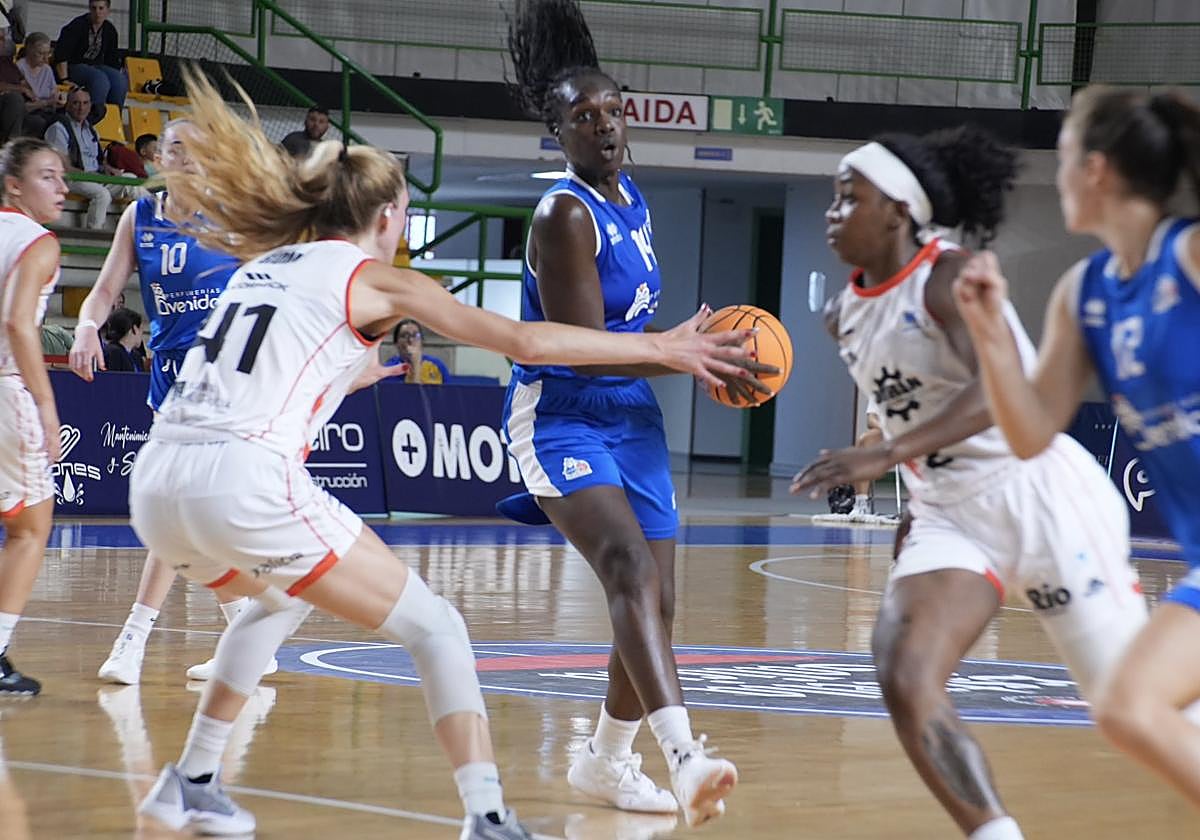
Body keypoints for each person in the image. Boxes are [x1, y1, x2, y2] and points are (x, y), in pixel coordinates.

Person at [129, 67, 754, 837]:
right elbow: (526, 340)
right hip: (239, 480)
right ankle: (488, 817)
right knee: (438, 629)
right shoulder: (378, 279)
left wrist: (348, 372)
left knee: (276, 598)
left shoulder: (260, 268)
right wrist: (668, 345)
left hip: (155, 481)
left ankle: (190, 779)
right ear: (390, 216)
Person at [790, 125, 1150, 840]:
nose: (833, 213)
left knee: (1133, 708)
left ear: (897, 210)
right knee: (904, 672)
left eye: (846, 197)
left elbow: (999, 392)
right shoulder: (842, 314)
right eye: (832, 199)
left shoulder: (949, 280)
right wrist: (913, 485)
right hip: (950, 513)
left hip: (1038, 498)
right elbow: (909, 408)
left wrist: (885, 456)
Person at [497, 0, 778, 826]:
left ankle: (606, 763)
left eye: (613, 109)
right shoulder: (564, 213)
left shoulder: (634, 199)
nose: (605, 125)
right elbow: (582, 345)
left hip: (634, 412)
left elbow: (631, 336)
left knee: (657, 600)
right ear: (558, 134)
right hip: (563, 414)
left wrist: (695, 349)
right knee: (626, 567)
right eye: (583, 118)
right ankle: (687, 759)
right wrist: (674, 350)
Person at [954, 86, 1200, 809]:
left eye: (1060, 158)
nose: (1053, 174)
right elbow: (1030, 433)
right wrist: (992, 333)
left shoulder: (1188, 255)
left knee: (1133, 704)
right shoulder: (1084, 291)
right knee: (1131, 708)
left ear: (1094, 170)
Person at [69, 118, 275, 687]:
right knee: (187, 518)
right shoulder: (140, 215)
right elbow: (107, 289)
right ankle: (248, 632)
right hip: (168, 374)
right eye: (172, 146)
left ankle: (134, 637)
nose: (180, 156)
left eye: (192, 148)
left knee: (173, 507)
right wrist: (88, 326)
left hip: (225, 377)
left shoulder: (236, 213)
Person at [0, 138, 69, 695]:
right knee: (29, 527)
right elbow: (20, 324)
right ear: (14, 185)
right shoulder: (39, 243)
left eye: (64, 177)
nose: (63, 188)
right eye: (48, 176)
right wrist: (46, 404)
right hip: (4, 389)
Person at [44, 87, 133, 229]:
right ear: (68, 105)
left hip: (95, 177)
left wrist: (109, 169)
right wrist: (86, 175)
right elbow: (60, 165)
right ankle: (95, 235)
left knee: (131, 180)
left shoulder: (91, 129)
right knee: (102, 195)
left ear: (90, 105)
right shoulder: (58, 128)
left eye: (85, 103)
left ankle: (137, 229)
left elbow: (98, 160)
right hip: (72, 178)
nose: (81, 108)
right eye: (76, 103)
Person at [53, 0, 127, 125]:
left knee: (119, 80)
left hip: (96, 66)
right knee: (100, 79)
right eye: (94, 8)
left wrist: (114, 72)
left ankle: (113, 123)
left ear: (107, 10)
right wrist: (64, 78)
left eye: (101, 8)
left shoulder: (109, 30)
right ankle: (92, 120)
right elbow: (61, 55)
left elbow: (112, 59)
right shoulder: (77, 26)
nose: (97, 12)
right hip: (74, 66)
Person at [15, 32, 59, 141]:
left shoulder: (47, 69)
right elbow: (22, 107)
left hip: (47, 111)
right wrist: (46, 103)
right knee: (43, 122)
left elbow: (53, 93)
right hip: (29, 115)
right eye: (41, 53)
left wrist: (56, 101)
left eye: (48, 54)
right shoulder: (19, 69)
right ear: (29, 50)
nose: (45, 59)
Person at [385, 317, 448, 384]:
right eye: (404, 336)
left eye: (416, 335)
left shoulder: (437, 365)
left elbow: (449, 393)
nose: (410, 340)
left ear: (421, 341)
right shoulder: (389, 370)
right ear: (396, 343)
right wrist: (415, 364)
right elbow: (411, 393)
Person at [99, 306, 143, 372]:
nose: (141, 333)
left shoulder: (136, 356)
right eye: (141, 329)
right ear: (135, 329)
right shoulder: (112, 353)